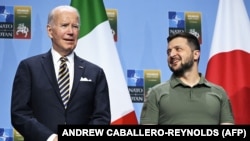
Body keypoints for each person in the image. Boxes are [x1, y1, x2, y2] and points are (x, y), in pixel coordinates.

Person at [11, 5, 111, 141]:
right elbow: (19, 114)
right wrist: (50, 138)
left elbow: (102, 117)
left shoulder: (95, 72)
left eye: (75, 26)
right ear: (50, 31)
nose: (71, 32)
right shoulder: (29, 68)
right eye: (64, 25)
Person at [140, 32, 234, 125]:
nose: (172, 55)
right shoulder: (156, 93)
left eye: (178, 49)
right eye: (169, 52)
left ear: (196, 54)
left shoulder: (219, 93)